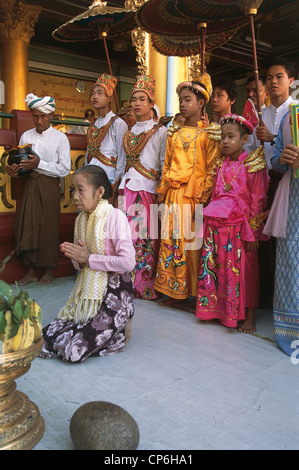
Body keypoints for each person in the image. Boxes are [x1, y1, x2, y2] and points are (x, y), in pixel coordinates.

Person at [40, 165, 136, 363]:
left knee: (72, 351)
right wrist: (78, 259)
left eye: (80, 190)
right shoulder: (81, 219)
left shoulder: (114, 217)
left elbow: (128, 262)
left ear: (99, 192)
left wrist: (89, 257)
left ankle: (120, 326)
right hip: (89, 291)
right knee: (46, 339)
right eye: (72, 190)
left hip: (115, 292)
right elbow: (82, 266)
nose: (75, 196)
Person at [195, 114, 269, 332]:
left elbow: (258, 200)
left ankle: (250, 315)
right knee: (219, 267)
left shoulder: (253, 165)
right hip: (217, 225)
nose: (225, 142)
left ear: (244, 139)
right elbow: (215, 194)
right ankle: (221, 309)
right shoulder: (220, 165)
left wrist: (253, 232)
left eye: (231, 137)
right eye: (223, 137)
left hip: (242, 228)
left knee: (247, 270)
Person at [155, 74, 221, 309]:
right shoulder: (173, 132)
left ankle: (193, 294)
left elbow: (213, 168)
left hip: (194, 197)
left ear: (201, 103)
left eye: (187, 100)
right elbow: (166, 165)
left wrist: (204, 200)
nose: (182, 104)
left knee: (192, 245)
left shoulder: (209, 134)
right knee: (172, 242)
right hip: (173, 194)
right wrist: (162, 197)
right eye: (180, 100)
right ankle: (174, 290)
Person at [5, 93, 71, 286]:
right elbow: (21, 163)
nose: (39, 120)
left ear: (51, 115)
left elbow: (65, 169)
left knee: (48, 227)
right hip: (30, 186)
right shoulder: (26, 136)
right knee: (27, 226)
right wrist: (13, 171)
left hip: (49, 186)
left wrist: (39, 164)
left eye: (43, 116)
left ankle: (48, 270)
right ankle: (31, 271)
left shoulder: (60, 138)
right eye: (35, 116)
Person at [119, 74, 167, 300]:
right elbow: (122, 163)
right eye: (134, 99)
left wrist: (163, 193)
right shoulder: (128, 133)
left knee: (144, 239)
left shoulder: (160, 132)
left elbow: (164, 164)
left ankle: (144, 285)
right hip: (126, 188)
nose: (137, 104)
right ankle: (125, 283)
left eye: (142, 99)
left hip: (147, 190)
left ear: (151, 103)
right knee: (125, 237)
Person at [263, 110, 299, 355]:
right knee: (290, 260)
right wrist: (284, 158)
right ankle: (290, 331)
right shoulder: (291, 117)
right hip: (292, 198)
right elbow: (275, 163)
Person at [86, 73, 127, 205]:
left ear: (109, 98)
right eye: (93, 93)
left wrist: (116, 182)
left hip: (108, 178)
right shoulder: (93, 125)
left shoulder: (118, 123)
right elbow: (89, 154)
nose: (95, 97)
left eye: (99, 93)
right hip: (90, 177)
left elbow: (122, 156)